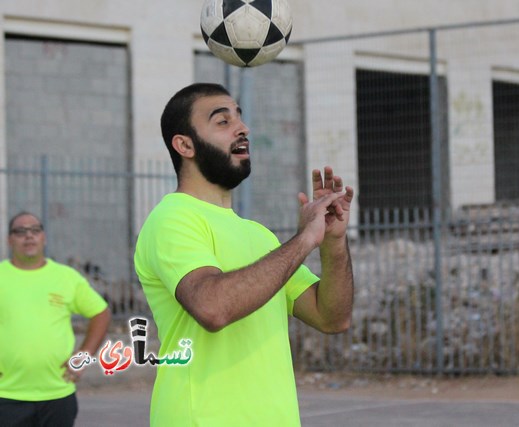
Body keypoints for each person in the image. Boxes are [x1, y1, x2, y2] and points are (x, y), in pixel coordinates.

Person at [134, 83, 354, 426]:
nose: (242, 128)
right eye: (222, 122)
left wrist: (333, 242)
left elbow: (332, 317)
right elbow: (213, 307)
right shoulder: (172, 219)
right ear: (185, 144)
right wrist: (303, 240)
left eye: (240, 117)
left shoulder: (259, 236)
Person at [0, 211, 111, 427]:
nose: (28, 236)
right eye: (20, 231)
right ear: (9, 240)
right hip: (6, 395)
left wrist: (84, 355)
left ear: (44, 237)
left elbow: (101, 313)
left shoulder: (66, 277)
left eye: (35, 230)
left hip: (58, 393)